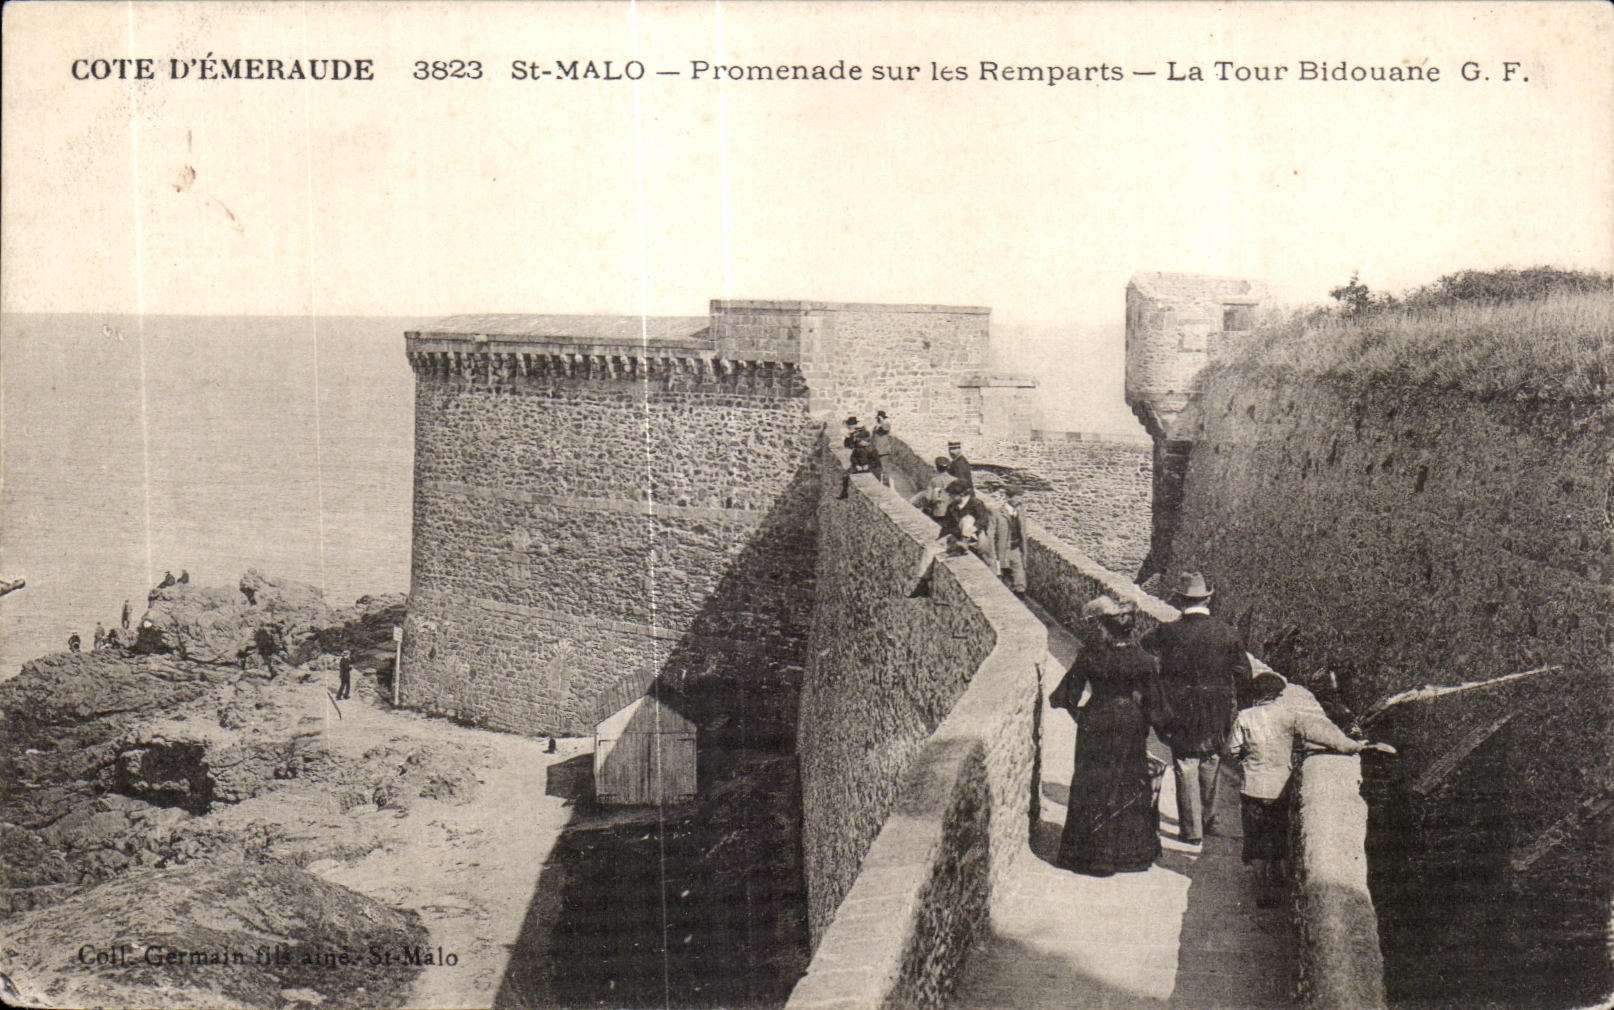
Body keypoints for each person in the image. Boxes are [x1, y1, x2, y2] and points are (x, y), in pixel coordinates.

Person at [1228, 667, 1395, 905]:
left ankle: (1261, 887)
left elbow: (1232, 750)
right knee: (1277, 833)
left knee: (1255, 839)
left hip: (1253, 787)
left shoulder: (1245, 717)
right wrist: (1355, 746)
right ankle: (1278, 879)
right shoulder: (1290, 715)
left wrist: (1247, 761)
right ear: (1278, 694)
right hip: (1279, 788)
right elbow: (1324, 735)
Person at [1049, 597, 1171, 876]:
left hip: (1096, 721)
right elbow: (1157, 706)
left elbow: (1066, 695)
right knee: (1128, 782)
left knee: (1091, 782)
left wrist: (1080, 715)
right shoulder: (1142, 659)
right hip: (1129, 724)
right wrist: (1152, 725)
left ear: (1105, 627)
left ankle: (1089, 855)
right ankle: (1128, 856)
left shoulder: (1091, 655)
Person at [1139, 572, 1250, 845]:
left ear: (1180, 600)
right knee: (1211, 760)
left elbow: (1144, 653)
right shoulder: (1228, 633)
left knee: (1186, 763)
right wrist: (1241, 710)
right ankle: (1208, 819)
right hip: (1217, 710)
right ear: (1208, 599)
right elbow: (1244, 675)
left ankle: (1191, 830)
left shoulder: (1166, 631)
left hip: (1181, 709)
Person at [908, 479, 991, 595]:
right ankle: (923, 582)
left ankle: (964, 543)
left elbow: (983, 521)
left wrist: (971, 532)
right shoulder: (952, 506)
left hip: (975, 538)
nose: (951, 497)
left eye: (953, 495)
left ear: (962, 495)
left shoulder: (976, 504)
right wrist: (939, 540)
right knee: (929, 549)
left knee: (967, 519)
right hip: (956, 537)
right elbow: (946, 526)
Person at [994, 486, 1028, 594]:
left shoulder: (1020, 513)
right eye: (1017, 497)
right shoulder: (998, 513)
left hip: (1016, 548)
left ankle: (1020, 594)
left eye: (1021, 497)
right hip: (1003, 549)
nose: (1020, 500)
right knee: (1004, 575)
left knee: (1020, 576)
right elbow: (991, 534)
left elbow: (1022, 531)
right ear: (1008, 498)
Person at [908, 457, 954, 523]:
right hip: (952, 514)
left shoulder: (935, 481)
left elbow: (929, 498)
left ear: (937, 468)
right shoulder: (955, 480)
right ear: (948, 467)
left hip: (939, 513)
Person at [871, 411, 894, 486]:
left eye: (878, 418)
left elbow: (885, 428)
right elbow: (873, 438)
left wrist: (882, 420)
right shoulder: (876, 427)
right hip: (876, 450)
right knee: (877, 468)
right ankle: (877, 482)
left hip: (884, 450)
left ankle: (886, 483)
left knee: (885, 468)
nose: (877, 420)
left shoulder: (885, 425)